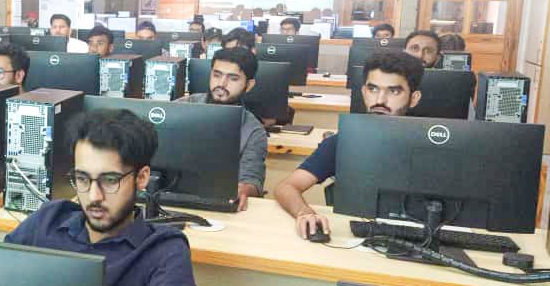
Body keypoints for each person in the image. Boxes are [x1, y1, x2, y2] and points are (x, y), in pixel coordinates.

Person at [5, 109, 197, 286]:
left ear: (141, 177)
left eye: (109, 180)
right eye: (82, 178)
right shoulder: (48, 220)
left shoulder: (164, 250)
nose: (93, 196)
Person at [273, 51, 424, 238]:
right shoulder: (344, 141)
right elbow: (286, 187)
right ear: (363, 91)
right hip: (354, 239)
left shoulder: (433, 146)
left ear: (414, 98)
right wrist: (304, 213)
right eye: (373, 89)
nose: (380, 100)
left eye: (393, 91)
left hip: (418, 240)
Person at [177, 48, 268, 209]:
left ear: (249, 85)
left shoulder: (253, 130)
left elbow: (252, 180)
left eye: (233, 78)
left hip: (217, 203)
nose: (221, 84)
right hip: (169, 195)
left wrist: (244, 189)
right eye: (217, 75)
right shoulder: (181, 107)